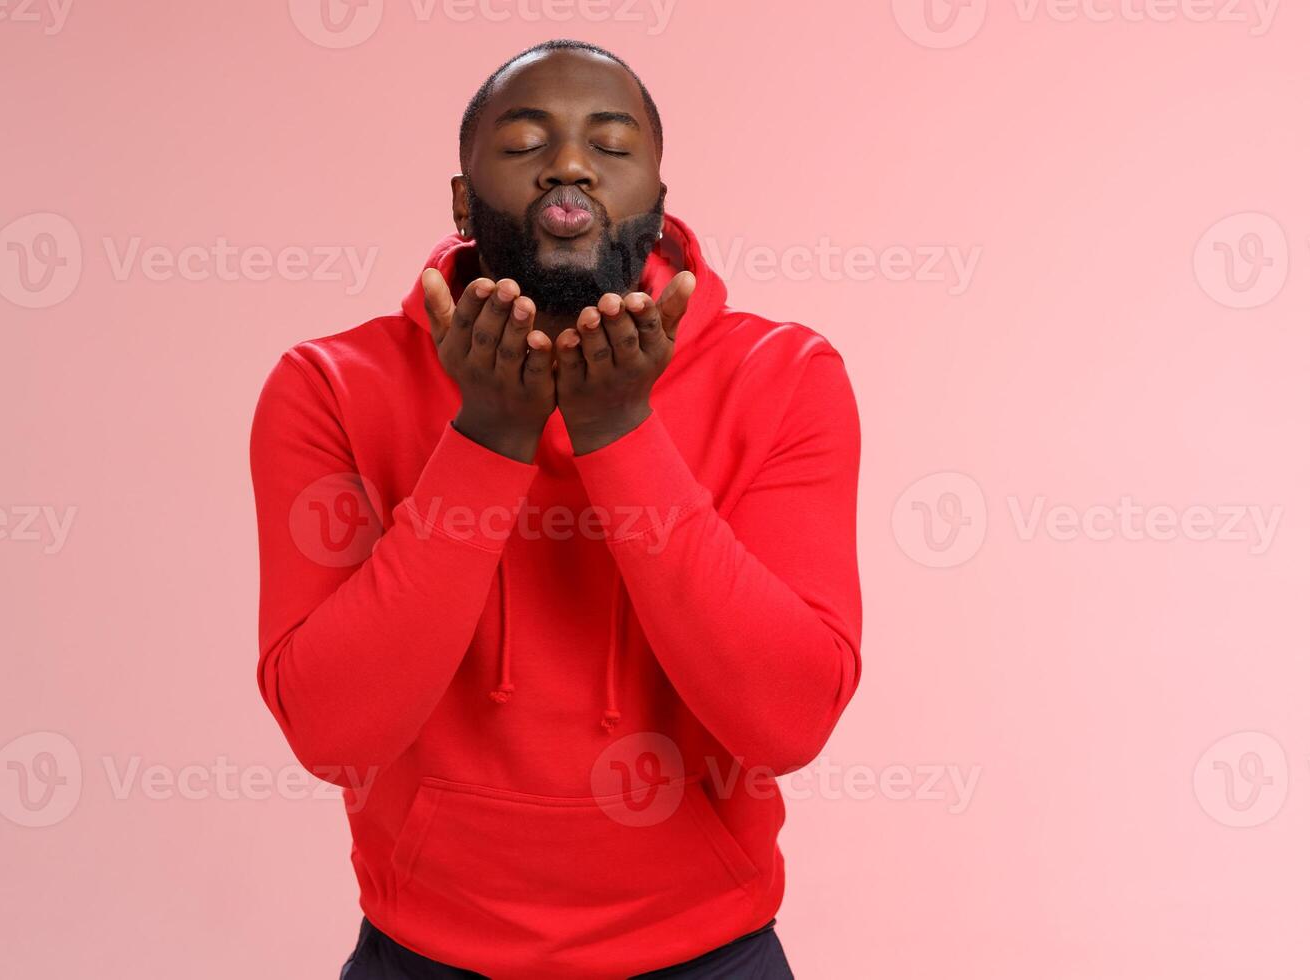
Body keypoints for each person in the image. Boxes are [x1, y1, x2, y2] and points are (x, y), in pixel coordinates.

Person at [250, 39, 861, 979]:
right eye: (527, 140)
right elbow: (335, 734)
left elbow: (786, 722)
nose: (568, 165)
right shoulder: (329, 386)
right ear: (463, 199)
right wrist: (488, 440)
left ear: (657, 202)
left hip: (711, 954)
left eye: (610, 147)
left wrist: (619, 433)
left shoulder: (781, 376)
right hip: (423, 956)